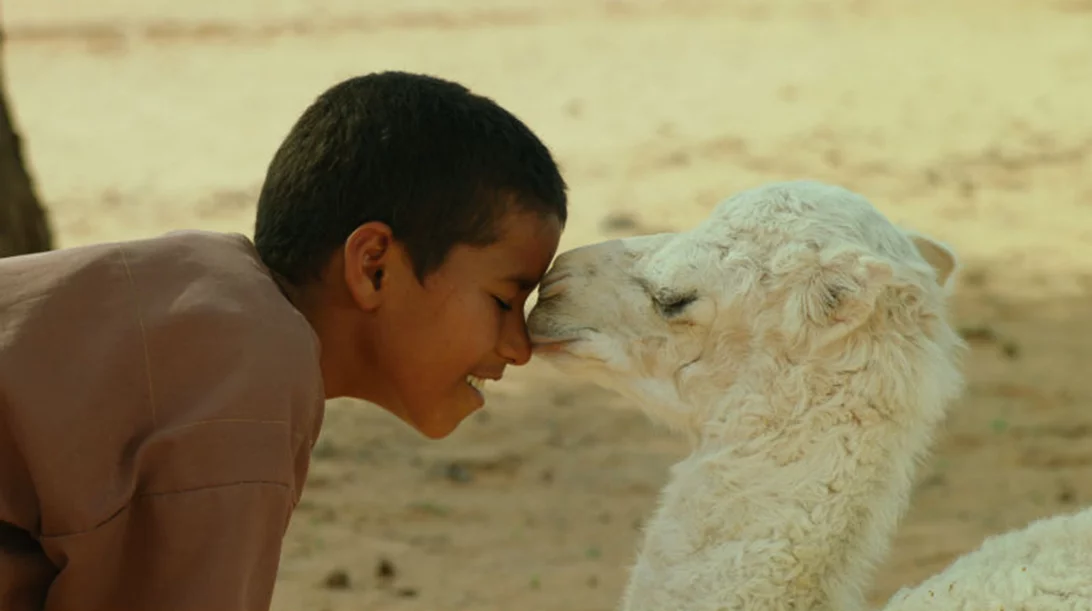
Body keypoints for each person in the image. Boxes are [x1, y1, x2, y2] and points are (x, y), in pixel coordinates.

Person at [0, 71, 568, 611]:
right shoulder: (249, 373)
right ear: (373, 267)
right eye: (503, 301)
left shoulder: (208, 295)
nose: (520, 347)